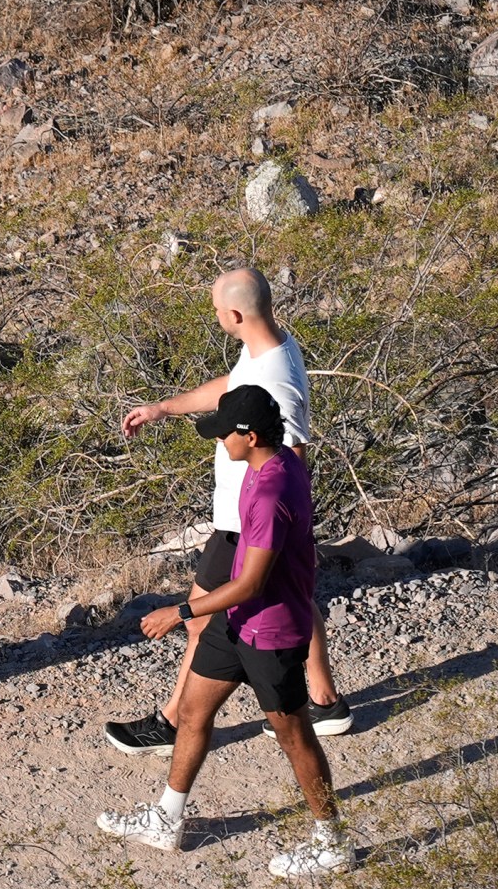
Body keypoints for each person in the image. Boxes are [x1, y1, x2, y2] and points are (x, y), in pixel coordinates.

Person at [97, 386, 352, 879]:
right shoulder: (268, 463)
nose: (219, 444)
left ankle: (332, 841)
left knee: (294, 735)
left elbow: (252, 583)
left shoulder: (275, 488)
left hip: (271, 630)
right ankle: (166, 820)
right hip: (235, 622)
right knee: (192, 712)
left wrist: (181, 611)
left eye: (223, 436)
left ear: (250, 435)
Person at [106, 267, 350, 756]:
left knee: (198, 620)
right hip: (247, 517)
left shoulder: (278, 382)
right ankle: (323, 700)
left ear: (235, 315)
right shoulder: (268, 347)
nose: (216, 316)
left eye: (217, 310)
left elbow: (294, 453)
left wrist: (293, 532)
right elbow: (234, 386)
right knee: (293, 592)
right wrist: (164, 408)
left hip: (247, 521)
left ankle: (173, 722)